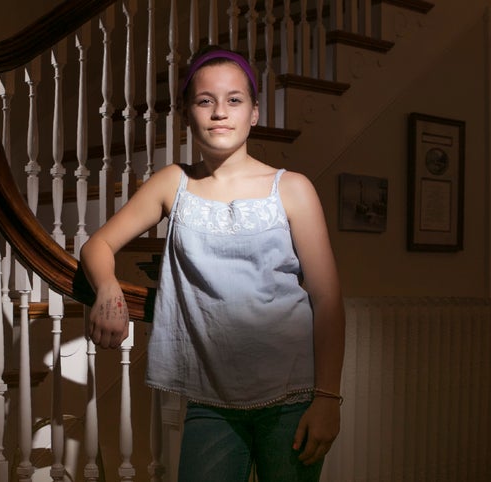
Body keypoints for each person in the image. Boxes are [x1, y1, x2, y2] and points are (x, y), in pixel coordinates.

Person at [80, 45, 345, 482]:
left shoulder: (292, 189)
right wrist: (108, 287)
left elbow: (328, 298)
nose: (220, 112)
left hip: (293, 396)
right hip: (211, 402)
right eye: (206, 101)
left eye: (234, 100)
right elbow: (99, 245)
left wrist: (328, 398)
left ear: (254, 113)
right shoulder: (174, 184)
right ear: (188, 114)